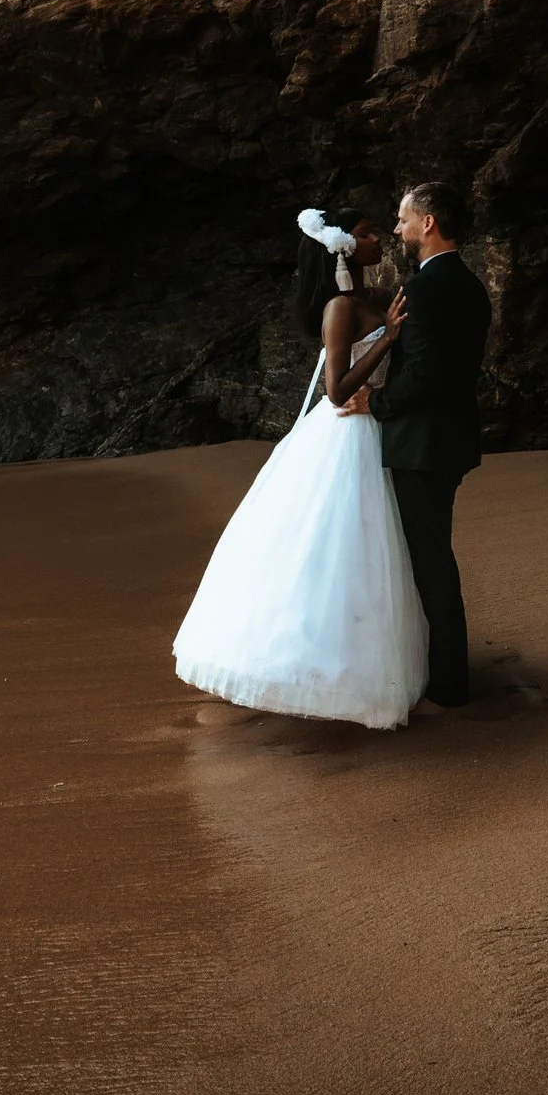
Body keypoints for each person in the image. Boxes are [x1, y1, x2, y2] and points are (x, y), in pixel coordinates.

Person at [171, 207, 430, 728]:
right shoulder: (338, 308)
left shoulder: (373, 298)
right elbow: (335, 390)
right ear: (341, 249)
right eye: (363, 234)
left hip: (375, 424)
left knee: (370, 553)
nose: (376, 238)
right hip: (345, 430)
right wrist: (386, 339)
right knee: (332, 549)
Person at [367, 181, 492, 710]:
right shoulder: (471, 285)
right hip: (452, 438)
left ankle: (448, 685)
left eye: (403, 219)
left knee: (431, 560)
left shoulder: (424, 290)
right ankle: (445, 671)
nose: (397, 229)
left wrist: (373, 403)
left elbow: (423, 375)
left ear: (429, 223)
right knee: (432, 553)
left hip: (422, 445)